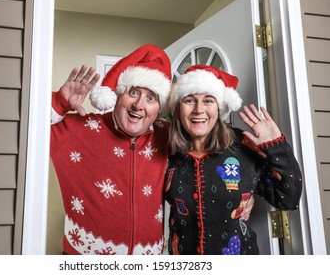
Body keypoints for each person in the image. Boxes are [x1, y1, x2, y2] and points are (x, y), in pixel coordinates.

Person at [164, 64, 302, 255]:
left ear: (219, 107)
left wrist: (277, 146)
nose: (199, 109)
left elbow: (288, 199)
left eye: (208, 100)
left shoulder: (243, 145)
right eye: (189, 100)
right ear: (178, 107)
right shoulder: (165, 150)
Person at [50, 44, 173, 255]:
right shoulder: (75, 129)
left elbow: (208, 144)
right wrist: (60, 102)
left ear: (158, 108)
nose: (139, 105)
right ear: (117, 95)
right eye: (133, 92)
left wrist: (248, 191)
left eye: (151, 98)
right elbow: (25, 128)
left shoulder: (167, 135)